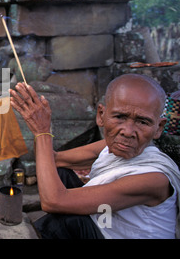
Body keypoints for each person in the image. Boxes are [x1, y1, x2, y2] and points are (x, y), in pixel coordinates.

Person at [9, 74, 180, 239]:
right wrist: (37, 124)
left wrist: (42, 132)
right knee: (60, 174)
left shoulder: (154, 179)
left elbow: (53, 201)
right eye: (120, 117)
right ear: (101, 115)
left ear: (159, 128)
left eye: (142, 122)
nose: (128, 132)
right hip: (105, 224)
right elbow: (55, 160)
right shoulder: (111, 145)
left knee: (65, 222)